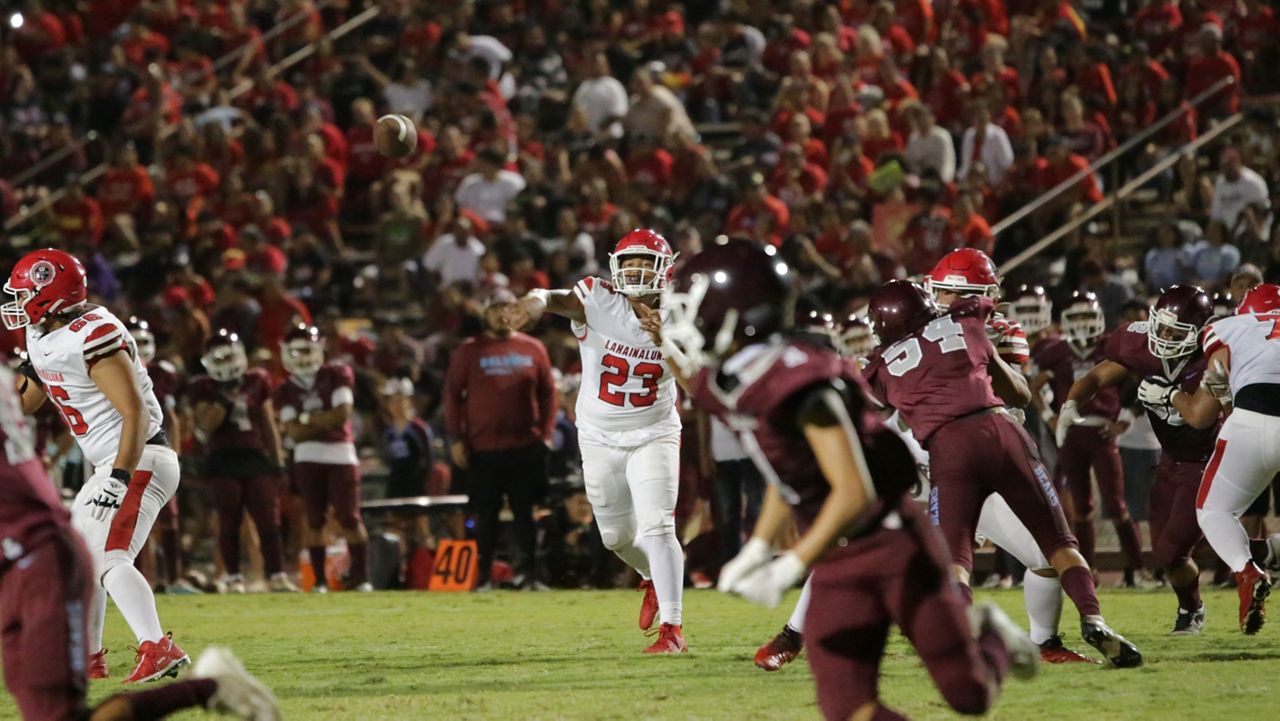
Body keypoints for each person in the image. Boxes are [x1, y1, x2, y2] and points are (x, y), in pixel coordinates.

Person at [662, 239, 1037, 720]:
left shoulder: (802, 382)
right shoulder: (738, 376)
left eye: (694, 308)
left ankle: (994, 635)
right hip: (840, 556)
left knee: (970, 695)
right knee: (848, 708)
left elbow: (853, 490)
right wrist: (757, 547)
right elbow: (788, 469)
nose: (686, 321)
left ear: (740, 310)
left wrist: (789, 564)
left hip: (892, 544)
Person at [861, 280, 1142, 667]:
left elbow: (865, 413)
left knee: (956, 559)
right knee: (1059, 543)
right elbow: (1020, 394)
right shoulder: (967, 321)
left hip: (949, 447)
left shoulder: (881, 363)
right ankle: (1093, 618)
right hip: (1002, 431)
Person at [0, 362, 282, 720]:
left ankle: (197, 679)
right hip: (25, 558)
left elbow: (137, 410)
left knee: (58, 714)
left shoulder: (85, 338)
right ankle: (109, 660)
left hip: (35, 562)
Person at [5, 248, 188, 683]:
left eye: (23, 292)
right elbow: (31, 397)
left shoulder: (93, 333)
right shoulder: (43, 331)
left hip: (140, 457)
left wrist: (120, 478)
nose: (15, 302)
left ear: (48, 293)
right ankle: (87, 659)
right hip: (114, 461)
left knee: (109, 557)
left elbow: (136, 412)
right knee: (79, 558)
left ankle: (158, 646)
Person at [504, 229, 687, 653]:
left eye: (645, 262)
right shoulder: (597, 298)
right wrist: (532, 301)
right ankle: (654, 580)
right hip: (599, 436)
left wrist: (665, 339)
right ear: (614, 267)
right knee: (614, 537)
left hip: (653, 432)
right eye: (629, 263)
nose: (636, 270)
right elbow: (551, 297)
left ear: (665, 269)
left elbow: (694, 378)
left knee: (658, 525)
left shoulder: (682, 314)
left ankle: (673, 630)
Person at [1063, 286, 1223, 633]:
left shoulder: (1214, 356)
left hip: (1207, 460)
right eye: (1161, 328)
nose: (1164, 337)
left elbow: (1199, 417)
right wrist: (1070, 405)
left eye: (1175, 332)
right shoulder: (1140, 345)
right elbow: (1094, 376)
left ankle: (1207, 596)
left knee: (1169, 551)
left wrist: (1169, 395)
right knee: (1166, 553)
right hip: (1168, 460)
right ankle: (1191, 606)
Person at [1171, 284, 1280, 634]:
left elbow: (1217, 379)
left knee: (1213, 511)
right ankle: (1267, 554)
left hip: (1251, 419)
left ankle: (1248, 570)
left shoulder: (1230, 325)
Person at [444, 289, 556, 589]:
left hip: (525, 446)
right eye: (495, 308)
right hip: (483, 449)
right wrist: (456, 437)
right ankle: (483, 576)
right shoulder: (469, 350)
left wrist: (545, 435)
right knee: (485, 515)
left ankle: (530, 575)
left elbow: (548, 394)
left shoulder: (534, 348)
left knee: (525, 514)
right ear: (485, 312)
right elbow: (453, 395)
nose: (501, 314)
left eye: (506, 307)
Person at [1032, 291, 1147, 583]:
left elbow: (1143, 382)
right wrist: (1049, 417)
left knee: (1116, 503)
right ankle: (1089, 571)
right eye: (1078, 316)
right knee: (1081, 508)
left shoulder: (1109, 345)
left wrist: (1125, 419)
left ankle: (1137, 569)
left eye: (1088, 315)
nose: (1084, 322)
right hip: (1070, 434)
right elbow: (1034, 386)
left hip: (1101, 431)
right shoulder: (1056, 351)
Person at [187, 330, 296, 594]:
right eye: (220, 358)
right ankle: (234, 576)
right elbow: (205, 427)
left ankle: (277, 575)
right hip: (222, 459)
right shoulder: (203, 387)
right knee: (229, 521)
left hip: (255, 456)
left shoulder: (256, 380)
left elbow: (267, 423)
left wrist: (277, 459)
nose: (226, 363)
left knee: (268, 520)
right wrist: (224, 397)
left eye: (229, 356)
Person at [273, 323, 370, 592]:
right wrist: (321, 421)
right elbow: (295, 432)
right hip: (307, 458)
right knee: (314, 519)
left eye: (307, 349)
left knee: (349, 517)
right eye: (297, 351)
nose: (303, 356)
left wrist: (306, 418)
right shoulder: (284, 389)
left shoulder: (337, 373)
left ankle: (362, 577)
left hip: (341, 454)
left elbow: (342, 414)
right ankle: (319, 580)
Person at [125, 317, 199, 594]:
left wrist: (175, 454)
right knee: (134, 521)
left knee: (169, 519)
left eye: (145, 341)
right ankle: (141, 579)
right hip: (131, 452)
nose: (142, 348)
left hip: (159, 450)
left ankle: (173, 577)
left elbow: (174, 417)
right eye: (137, 342)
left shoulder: (162, 373)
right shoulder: (114, 370)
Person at [382, 377, 434, 499]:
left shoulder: (418, 429)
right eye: (392, 402)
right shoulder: (388, 432)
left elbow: (428, 460)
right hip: (396, 485)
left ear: (408, 401)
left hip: (416, 486)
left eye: (400, 401)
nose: (396, 406)